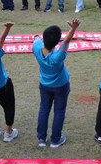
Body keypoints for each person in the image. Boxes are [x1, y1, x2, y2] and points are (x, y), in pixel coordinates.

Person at [32, 19, 80, 148]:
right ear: (57, 42)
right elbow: (66, 41)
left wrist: (36, 37)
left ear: (44, 39)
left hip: (44, 85)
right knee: (59, 111)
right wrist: (73, 28)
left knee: (44, 109)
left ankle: (41, 139)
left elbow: (36, 40)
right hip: (61, 86)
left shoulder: (36, 47)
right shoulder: (58, 56)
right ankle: (55, 139)